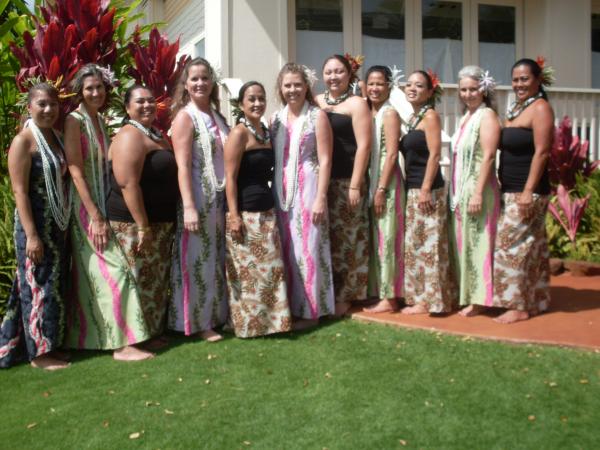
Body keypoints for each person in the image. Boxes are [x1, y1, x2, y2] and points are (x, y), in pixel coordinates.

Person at [63, 65, 150, 358]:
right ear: (80, 91)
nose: (96, 92)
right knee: (116, 271)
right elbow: (75, 170)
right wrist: (95, 217)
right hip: (86, 207)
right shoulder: (74, 121)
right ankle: (122, 345)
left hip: (102, 203)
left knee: (97, 276)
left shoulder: (99, 120)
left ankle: (86, 337)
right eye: (89, 88)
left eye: (99, 87)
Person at [0, 83, 71, 369]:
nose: (48, 109)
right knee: (37, 286)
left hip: (57, 224)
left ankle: (36, 345)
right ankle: (40, 355)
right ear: (29, 107)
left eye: (53, 104)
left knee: (50, 285)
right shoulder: (24, 142)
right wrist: (31, 235)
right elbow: (20, 192)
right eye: (41, 104)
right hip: (35, 227)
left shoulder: (56, 137)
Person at [104, 85, 178, 358]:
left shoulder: (154, 134)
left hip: (158, 222)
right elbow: (127, 184)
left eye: (150, 101)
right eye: (140, 102)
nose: (147, 106)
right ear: (127, 107)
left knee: (151, 282)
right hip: (132, 225)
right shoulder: (129, 135)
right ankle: (126, 345)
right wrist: (143, 225)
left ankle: (146, 335)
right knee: (133, 281)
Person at [223, 81, 291, 337]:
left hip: (267, 210)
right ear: (241, 104)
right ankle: (248, 326)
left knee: (270, 271)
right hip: (246, 212)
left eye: (261, 98)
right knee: (248, 273)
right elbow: (230, 177)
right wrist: (234, 216)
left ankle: (273, 323)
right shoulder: (239, 133)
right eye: (251, 99)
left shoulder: (265, 131)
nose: (257, 103)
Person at [169, 58, 229, 341]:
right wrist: (189, 207)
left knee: (215, 259)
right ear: (186, 84)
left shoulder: (218, 116)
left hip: (219, 200)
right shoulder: (185, 117)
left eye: (205, 78)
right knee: (197, 259)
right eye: (194, 79)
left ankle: (217, 316)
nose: (200, 83)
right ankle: (197, 323)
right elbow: (182, 165)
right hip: (197, 199)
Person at [272, 63, 335, 329]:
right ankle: (290, 308)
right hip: (280, 189)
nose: (292, 90)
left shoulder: (316, 116)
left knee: (308, 246)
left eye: (297, 84)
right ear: (281, 88)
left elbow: (325, 158)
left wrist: (321, 196)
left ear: (306, 86)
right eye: (287, 85)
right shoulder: (275, 118)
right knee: (286, 247)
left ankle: (311, 312)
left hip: (308, 186)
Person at [492, 58, 553, 324]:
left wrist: (528, 190)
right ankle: (537, 299)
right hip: (512, 188)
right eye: (515, 79)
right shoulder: (518, 108)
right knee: (533, 247)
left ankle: (517, 305)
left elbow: (542, 152)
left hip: (527, 190)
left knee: (510, 246)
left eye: (524, 79)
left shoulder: (540, 108)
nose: (519, 84)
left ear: (538, 80)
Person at [316, 54, 371, 316]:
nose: (333, 76)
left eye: (339, 71)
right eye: (328, 72)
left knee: (350, 238)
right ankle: (328, 290)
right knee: (329, 239)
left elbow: (364, 146)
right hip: (322, 182)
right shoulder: (316, 102)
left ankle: (349, 294)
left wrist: (355, 185)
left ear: (349, 75)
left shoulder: (357, 104)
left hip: (348, 179)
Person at [400, 70, 455, 315]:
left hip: (428, 190)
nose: (412, 88)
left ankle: (432, 301)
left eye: (419, 85)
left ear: (430, 92)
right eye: (409, 84)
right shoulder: (413, 118)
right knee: (416, 246)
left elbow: (434, 154)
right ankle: (420, 296)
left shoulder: (430, 116)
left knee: (430, 247)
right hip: (413, 188)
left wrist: (424, 189)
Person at [449, 66, 501, 317]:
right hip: (462, 188)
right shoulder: (465, 118)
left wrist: (479, 192)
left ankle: (481, 299)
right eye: (463, 89)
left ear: (484, 90)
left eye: (473, 89)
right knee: (465, 241)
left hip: (479, 187)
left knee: (480, 240)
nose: (468, 94)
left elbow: (489, 156)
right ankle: (468, 294)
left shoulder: (487, 115)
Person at [361, 66, 405, 313]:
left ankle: (391, 297)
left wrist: (380, 189)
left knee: (388, 238)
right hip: (373, 180)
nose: (375, 88)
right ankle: (379, 290)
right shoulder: (370, 112)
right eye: (371, 83)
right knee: (377, 238)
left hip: (387, 184)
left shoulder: (389, 113)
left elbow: (392, 155)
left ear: (389, 86)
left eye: (380, 84)